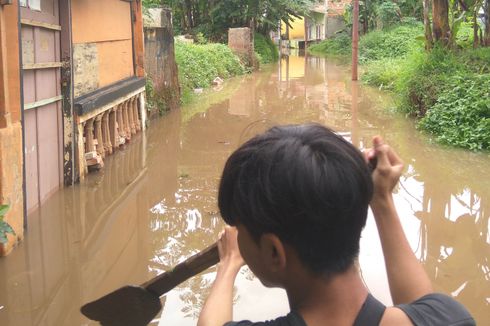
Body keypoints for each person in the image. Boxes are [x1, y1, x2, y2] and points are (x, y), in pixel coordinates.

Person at [197, 124, 475, 326]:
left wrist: (228, 265)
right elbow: (423, 308)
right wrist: (381, 200)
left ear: (273, 252)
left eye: (239, 227)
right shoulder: (452, 318)